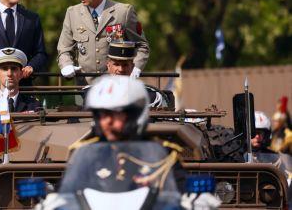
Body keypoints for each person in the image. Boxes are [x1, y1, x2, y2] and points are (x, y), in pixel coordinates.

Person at [48, 76, 188, 209]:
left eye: (115, 113)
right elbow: (64, 195)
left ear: (135, 114)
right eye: (102, 114)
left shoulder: (162, 156)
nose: (107, 121)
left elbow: (181, 195)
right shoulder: (88, 155)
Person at [57, 0, 149, 82]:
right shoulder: (72, 13)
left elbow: (142, 46)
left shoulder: (123, 12)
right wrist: (66, 64)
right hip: (84, 88)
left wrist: (136, 68)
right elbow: (64, 48)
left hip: (116, 86)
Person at [105, 41, 170, 108]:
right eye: (116, 64)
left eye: (125, 65)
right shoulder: (96, 94)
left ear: (133, 67)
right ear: (108, 66)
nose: (121, 69)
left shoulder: (151, 97)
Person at [0, 48, 41, 114]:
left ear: (21, 74)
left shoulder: (34, 106)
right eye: (4, 69)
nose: (9, 74)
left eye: (14, 69)